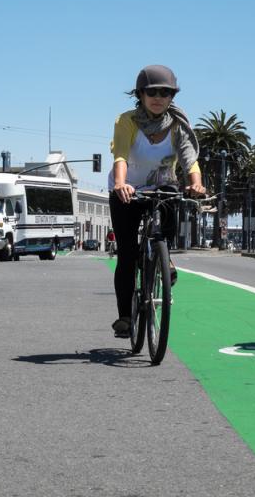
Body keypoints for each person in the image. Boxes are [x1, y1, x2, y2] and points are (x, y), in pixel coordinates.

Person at [108, 65, 206, 338]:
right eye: (152, 92)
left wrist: (195, 182)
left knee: (170, 199)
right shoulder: (126, 121)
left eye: (166, 92)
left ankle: (165, 257)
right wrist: (120, 183)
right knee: (127, 254)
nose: (158, 97)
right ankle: (125, 317)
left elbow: (189, 158)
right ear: (140, 94)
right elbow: (121, 156)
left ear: (172, 96)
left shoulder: (178, 124)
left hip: (161, 188)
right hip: (127, 189)